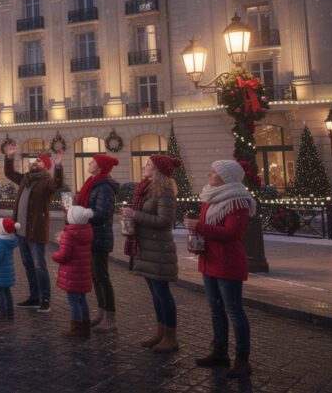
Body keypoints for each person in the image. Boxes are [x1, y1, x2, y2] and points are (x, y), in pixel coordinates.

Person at [185, 160, 258, 378]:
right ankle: (219, 352)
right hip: (209, 260)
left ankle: (243, 360)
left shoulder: (238, 201)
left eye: (214, 171)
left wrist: (199, 227)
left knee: (234, 310)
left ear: (225, 176)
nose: (210, 174)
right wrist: (195, 234)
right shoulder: (209, 196)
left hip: (228, 262)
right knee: (216, 309)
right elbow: (204, 225)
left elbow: (232, 234)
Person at [122, 154, 181, 353]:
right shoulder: (146, 189)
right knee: (156, 294)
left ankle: (171, 338)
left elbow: (165, 221)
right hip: (147, 248)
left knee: (163, 294)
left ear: (157, 170)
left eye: (148, 164)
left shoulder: (164, 192)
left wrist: (135, 215)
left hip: (159, 250)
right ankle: (160, 332)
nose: (144, 166)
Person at [3, 143, 64, 313]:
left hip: (36, 231)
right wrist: (10, 157)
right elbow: (9, 173)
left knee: (39, 266)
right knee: (28, 265)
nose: (35, 162)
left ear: (46, 166)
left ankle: (45, 299)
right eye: (35, 160)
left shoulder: (47, 183)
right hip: (21, 231)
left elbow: (58, 184)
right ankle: (34, 297)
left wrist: (58, 166)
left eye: (39, 161)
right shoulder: (26, 179)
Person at [77, 153, 120, 333]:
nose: (89, 163)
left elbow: (102, 213)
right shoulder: (93, 183)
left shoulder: (104, 187)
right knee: (96, 276)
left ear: (100, 167)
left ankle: (110, 316)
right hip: (91, 235)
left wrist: (83, 214)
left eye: (93, 162)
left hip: (99, 235)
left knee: (102, 277)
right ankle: (102, 311)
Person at [52, 205, 95, 338]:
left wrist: (54, 255)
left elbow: (64, 255)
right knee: (82, 299)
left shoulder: (68, 234)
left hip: (72, 274)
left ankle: (76, 328)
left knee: (74, 301)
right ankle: (86, 327)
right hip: (83, 273)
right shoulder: (87, 231)